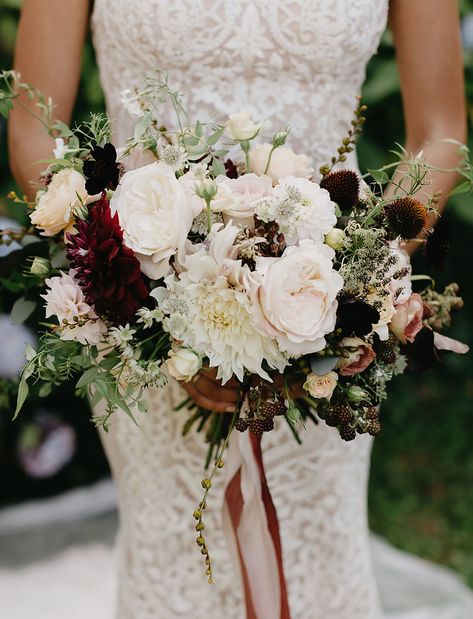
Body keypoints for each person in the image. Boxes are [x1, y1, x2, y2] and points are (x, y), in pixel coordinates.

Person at [8, 1, 467, 618]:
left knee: (316, 549)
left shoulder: (342, 293)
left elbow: (439, 128)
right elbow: (36, 127)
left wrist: (352, 281)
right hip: (141, 315)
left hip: (328, 307)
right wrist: (145, 298)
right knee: (172, 556)